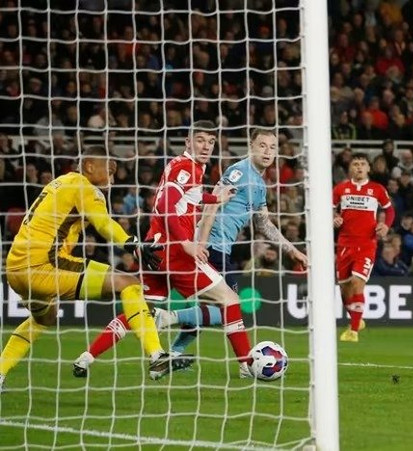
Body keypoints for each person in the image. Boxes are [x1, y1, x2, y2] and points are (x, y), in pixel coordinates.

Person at [74, 129, 308, 377]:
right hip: (195, 249)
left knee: (140, 312)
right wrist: (197, 244)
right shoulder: (236, 172)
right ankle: (245, 365)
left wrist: (292, 250)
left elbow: (257, 221)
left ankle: (87, 357)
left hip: (158, 248)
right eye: (262, 145)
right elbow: (174, 206)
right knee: (229, 302)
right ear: (251, 146)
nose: (267, 151)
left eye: (272, 147)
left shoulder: (248, 182)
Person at [0, 147, 192, 391]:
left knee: (44, 317)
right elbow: (103, 223)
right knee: (129, 284)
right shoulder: (85, 187)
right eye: (109, 172)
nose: (112, 180)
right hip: (44, 265)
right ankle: (157, 356)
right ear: (90, 166)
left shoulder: (61, 183)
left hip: (15, 268)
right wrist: (132, 243)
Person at [333, 153, 395, 342]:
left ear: (369, 168)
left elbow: (390, 210)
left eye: (362, 164)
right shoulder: (341, 189)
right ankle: (357, 319)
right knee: (345, 290)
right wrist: (334, 217)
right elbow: (330, 208)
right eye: (355, 164)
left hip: (366, 244)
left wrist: (385, 225)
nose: (359, 167)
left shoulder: (377, 190)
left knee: (357, 283)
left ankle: (353, 331)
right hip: (344, 244)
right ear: (350, 168)